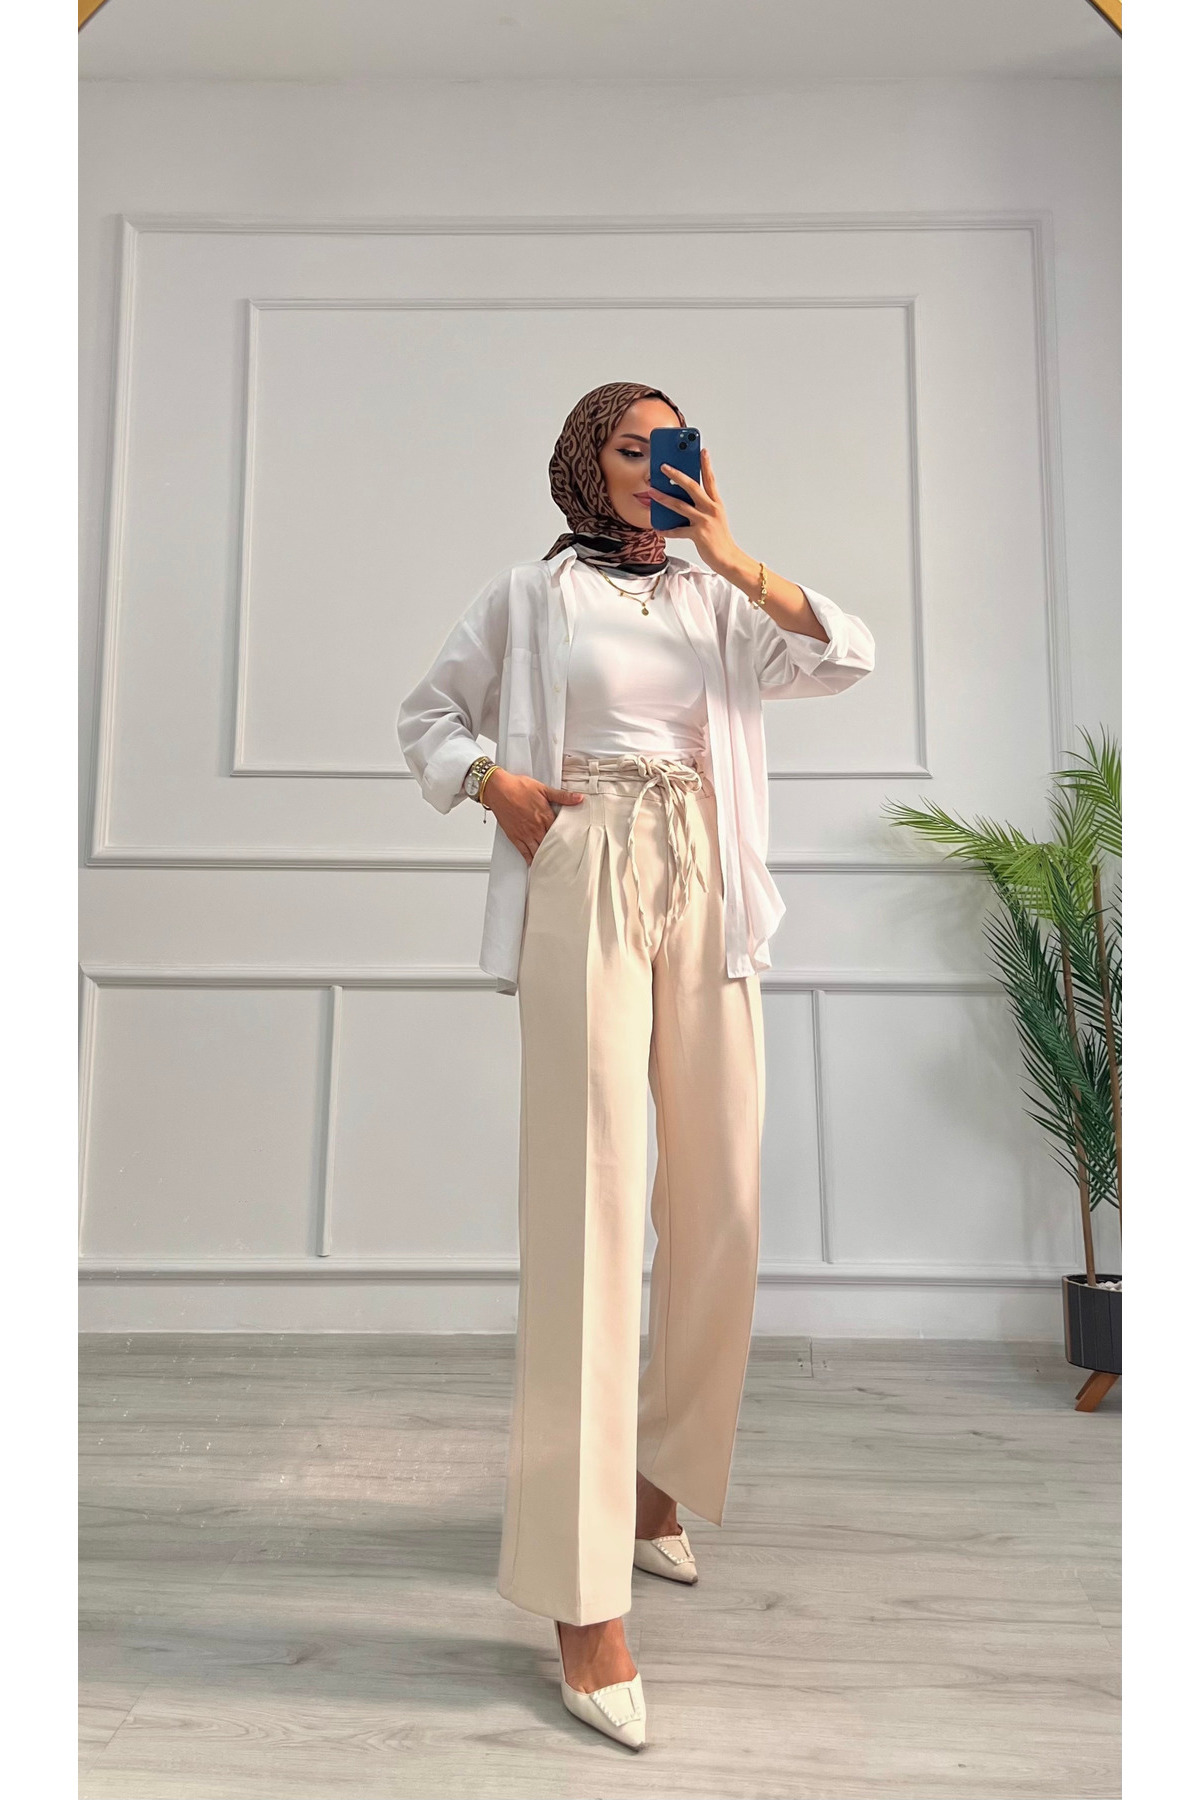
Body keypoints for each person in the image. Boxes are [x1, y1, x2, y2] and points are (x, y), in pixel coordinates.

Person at [397, 381, 875, 1748]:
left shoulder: (718, 598)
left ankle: (659, 1478)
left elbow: (847, 655)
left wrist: (733, 553)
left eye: (671, 445)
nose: (653, 465)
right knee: (591, 1213)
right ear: (584, 463)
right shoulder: (528, 597)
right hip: (587, 855)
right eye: (628, 445)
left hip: (707, 875)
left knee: (722, 1199)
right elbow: (427, 717)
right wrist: (494, 785)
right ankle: (580, 1596)